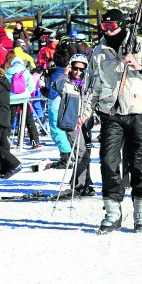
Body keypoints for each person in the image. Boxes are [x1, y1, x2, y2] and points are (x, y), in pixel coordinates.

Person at [80, 8, 142, 234]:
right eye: (104, 26)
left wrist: (138, 65)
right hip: (111, 113)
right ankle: (112, 211)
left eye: (112, 26)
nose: (108, 30)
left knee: (137, 162)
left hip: (139, 111)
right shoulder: (98, 52)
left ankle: (141, 212)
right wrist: (85, 111)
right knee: (107, 160)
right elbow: (91, 86)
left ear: (122, 25)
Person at [55, 54, 96, 197]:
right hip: (71, 122)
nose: (77, 72)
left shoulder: (87, 84)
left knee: (86, 153)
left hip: (85, 122)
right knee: (81, 151)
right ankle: (79, 185)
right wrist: (64, 74)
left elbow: (91, 101)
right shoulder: (67, 83)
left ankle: (83, 182)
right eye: (75, 68)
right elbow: (58, 87)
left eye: (81, 70)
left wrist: (85, 116)